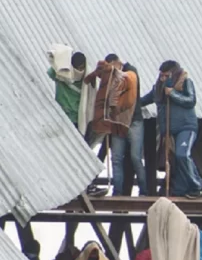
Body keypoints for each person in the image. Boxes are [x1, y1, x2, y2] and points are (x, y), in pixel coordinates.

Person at [141, 60, 202, 198]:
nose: (163, 78)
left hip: (186, 127)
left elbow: (191, 101)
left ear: (173, 74)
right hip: (169, 131)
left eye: (166, 75)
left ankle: (197, 185)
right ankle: (181, 189)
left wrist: (173, 94)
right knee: (174, 160)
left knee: (183, 154)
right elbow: (142, 101)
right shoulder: (157, 89)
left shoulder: (186, 82)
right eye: (161, 75)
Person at [46, 45, 104, 196]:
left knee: (80, 155)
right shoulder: (65, 74)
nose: (79, 69)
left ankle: (85, 186)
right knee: (70, 156)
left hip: (79, 122)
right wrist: (63, 56)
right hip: (68, 121)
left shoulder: (86, 78)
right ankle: (75, 186)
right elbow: (52, 69)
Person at [103, 54, 147, 196]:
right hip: (118, 122)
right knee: (116, 158)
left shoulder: (130, 71)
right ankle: (117, 191)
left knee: (135, 157)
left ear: (117, 63)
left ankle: (144, 191)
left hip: (133, 121)